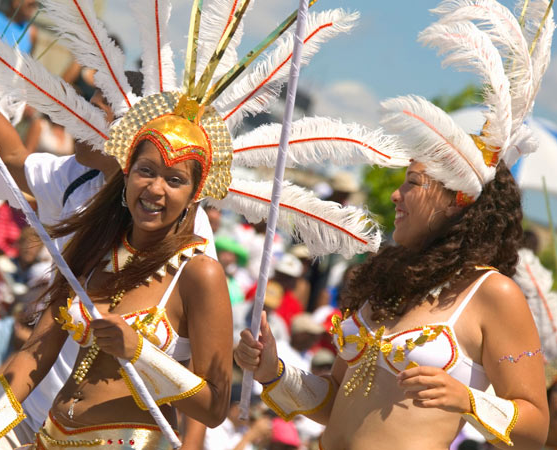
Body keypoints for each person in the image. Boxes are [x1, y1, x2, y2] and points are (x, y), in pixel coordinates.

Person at [0, 2, 401, 448]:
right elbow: (35, 349)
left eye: (174, 179)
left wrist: (139, 352)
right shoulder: (93, 238)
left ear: (196, 193)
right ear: (127, 169)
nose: (155, 189)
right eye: (147, 171)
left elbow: (215, 405)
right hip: (45, 431)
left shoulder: (198, 270)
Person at [234, 2, 552, 448]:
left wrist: (469, 400)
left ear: (456, 200)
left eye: (413, 183)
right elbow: (334, 403)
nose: (395, 196)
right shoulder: (387, 277)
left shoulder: (492, 293)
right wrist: (275, 371)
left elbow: (536, 426)